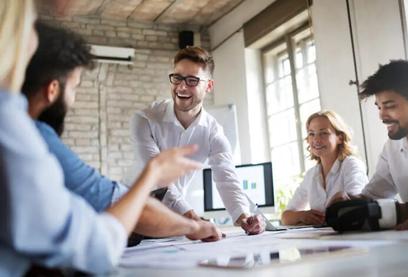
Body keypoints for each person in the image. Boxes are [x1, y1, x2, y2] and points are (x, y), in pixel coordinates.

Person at [0, 1, 206, 275]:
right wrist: (154, 176)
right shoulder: (23, 134)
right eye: (74, 88)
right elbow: (95, 245)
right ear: (52, 90)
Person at [22, 21, 221, 242]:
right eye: (75, 87)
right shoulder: (38, 142)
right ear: (52, 90)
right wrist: (194, 225)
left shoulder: (15, 130)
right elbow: (126, 208)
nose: (73, 98)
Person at [130, 46, 265, 235]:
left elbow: (226, 178)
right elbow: (158, 177)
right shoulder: (145, 120)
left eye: (192, 80)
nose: (181, 87)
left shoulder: (213, 132)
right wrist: (194, 220)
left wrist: (244, 217)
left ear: (208, 86)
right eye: (177, 78)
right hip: (132, 218)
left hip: (173, 223)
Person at [329, 60, 408, 225]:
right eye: (379, 107)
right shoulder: (391, 149)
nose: (382, 116)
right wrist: (349, 201)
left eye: (389, 106)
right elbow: (373, 196)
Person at [281, 111, 368, 226]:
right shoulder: (311, 174)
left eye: (323, 133)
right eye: (311, 134)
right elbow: (286, 217)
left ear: (340, 137)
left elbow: (357, 206)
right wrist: (302, 216)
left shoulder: (351, 165)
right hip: (323, 239)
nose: (316, 140)